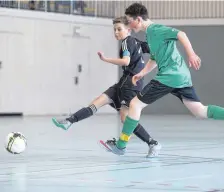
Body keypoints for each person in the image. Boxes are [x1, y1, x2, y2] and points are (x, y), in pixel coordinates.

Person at [104, 3, 224, 155]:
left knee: (135, 104)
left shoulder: (156, 29)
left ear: (138, 20)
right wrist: (142, 73)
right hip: (181, 76)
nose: (128, 24)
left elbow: (181, 34)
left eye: (129, 21)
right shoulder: (150, 35)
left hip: (169, 76)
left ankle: (121, 145)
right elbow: (154, 59)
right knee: (199, 111)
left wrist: (191, 54)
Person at [52, 16, 161, 158]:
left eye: (119, 29)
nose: (116, 32)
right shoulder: (137, 42)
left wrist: (105, 59)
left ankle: (152, 143)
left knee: (126, 119)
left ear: (128, 29)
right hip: (122, 84)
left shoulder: (126, 42)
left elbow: (125, 61)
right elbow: (156, 50)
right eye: (114, 30)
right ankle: (69, 121)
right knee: (97, 102)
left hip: (131, 85)